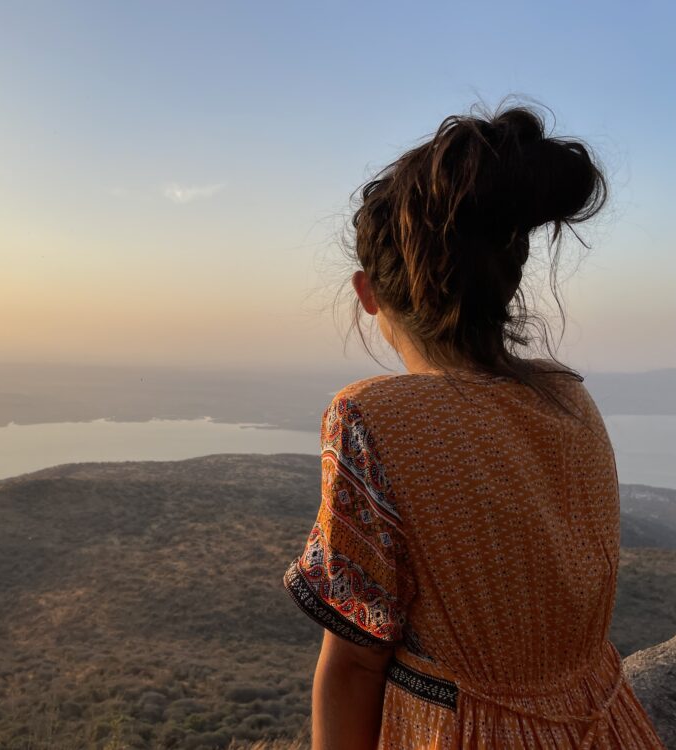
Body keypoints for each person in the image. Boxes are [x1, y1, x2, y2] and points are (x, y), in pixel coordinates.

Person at [282, 101, 666, 749]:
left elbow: (353, 662)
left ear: (367, 293)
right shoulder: (571, 400)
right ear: (508, 279)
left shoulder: (371, 418)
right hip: (607, 725)